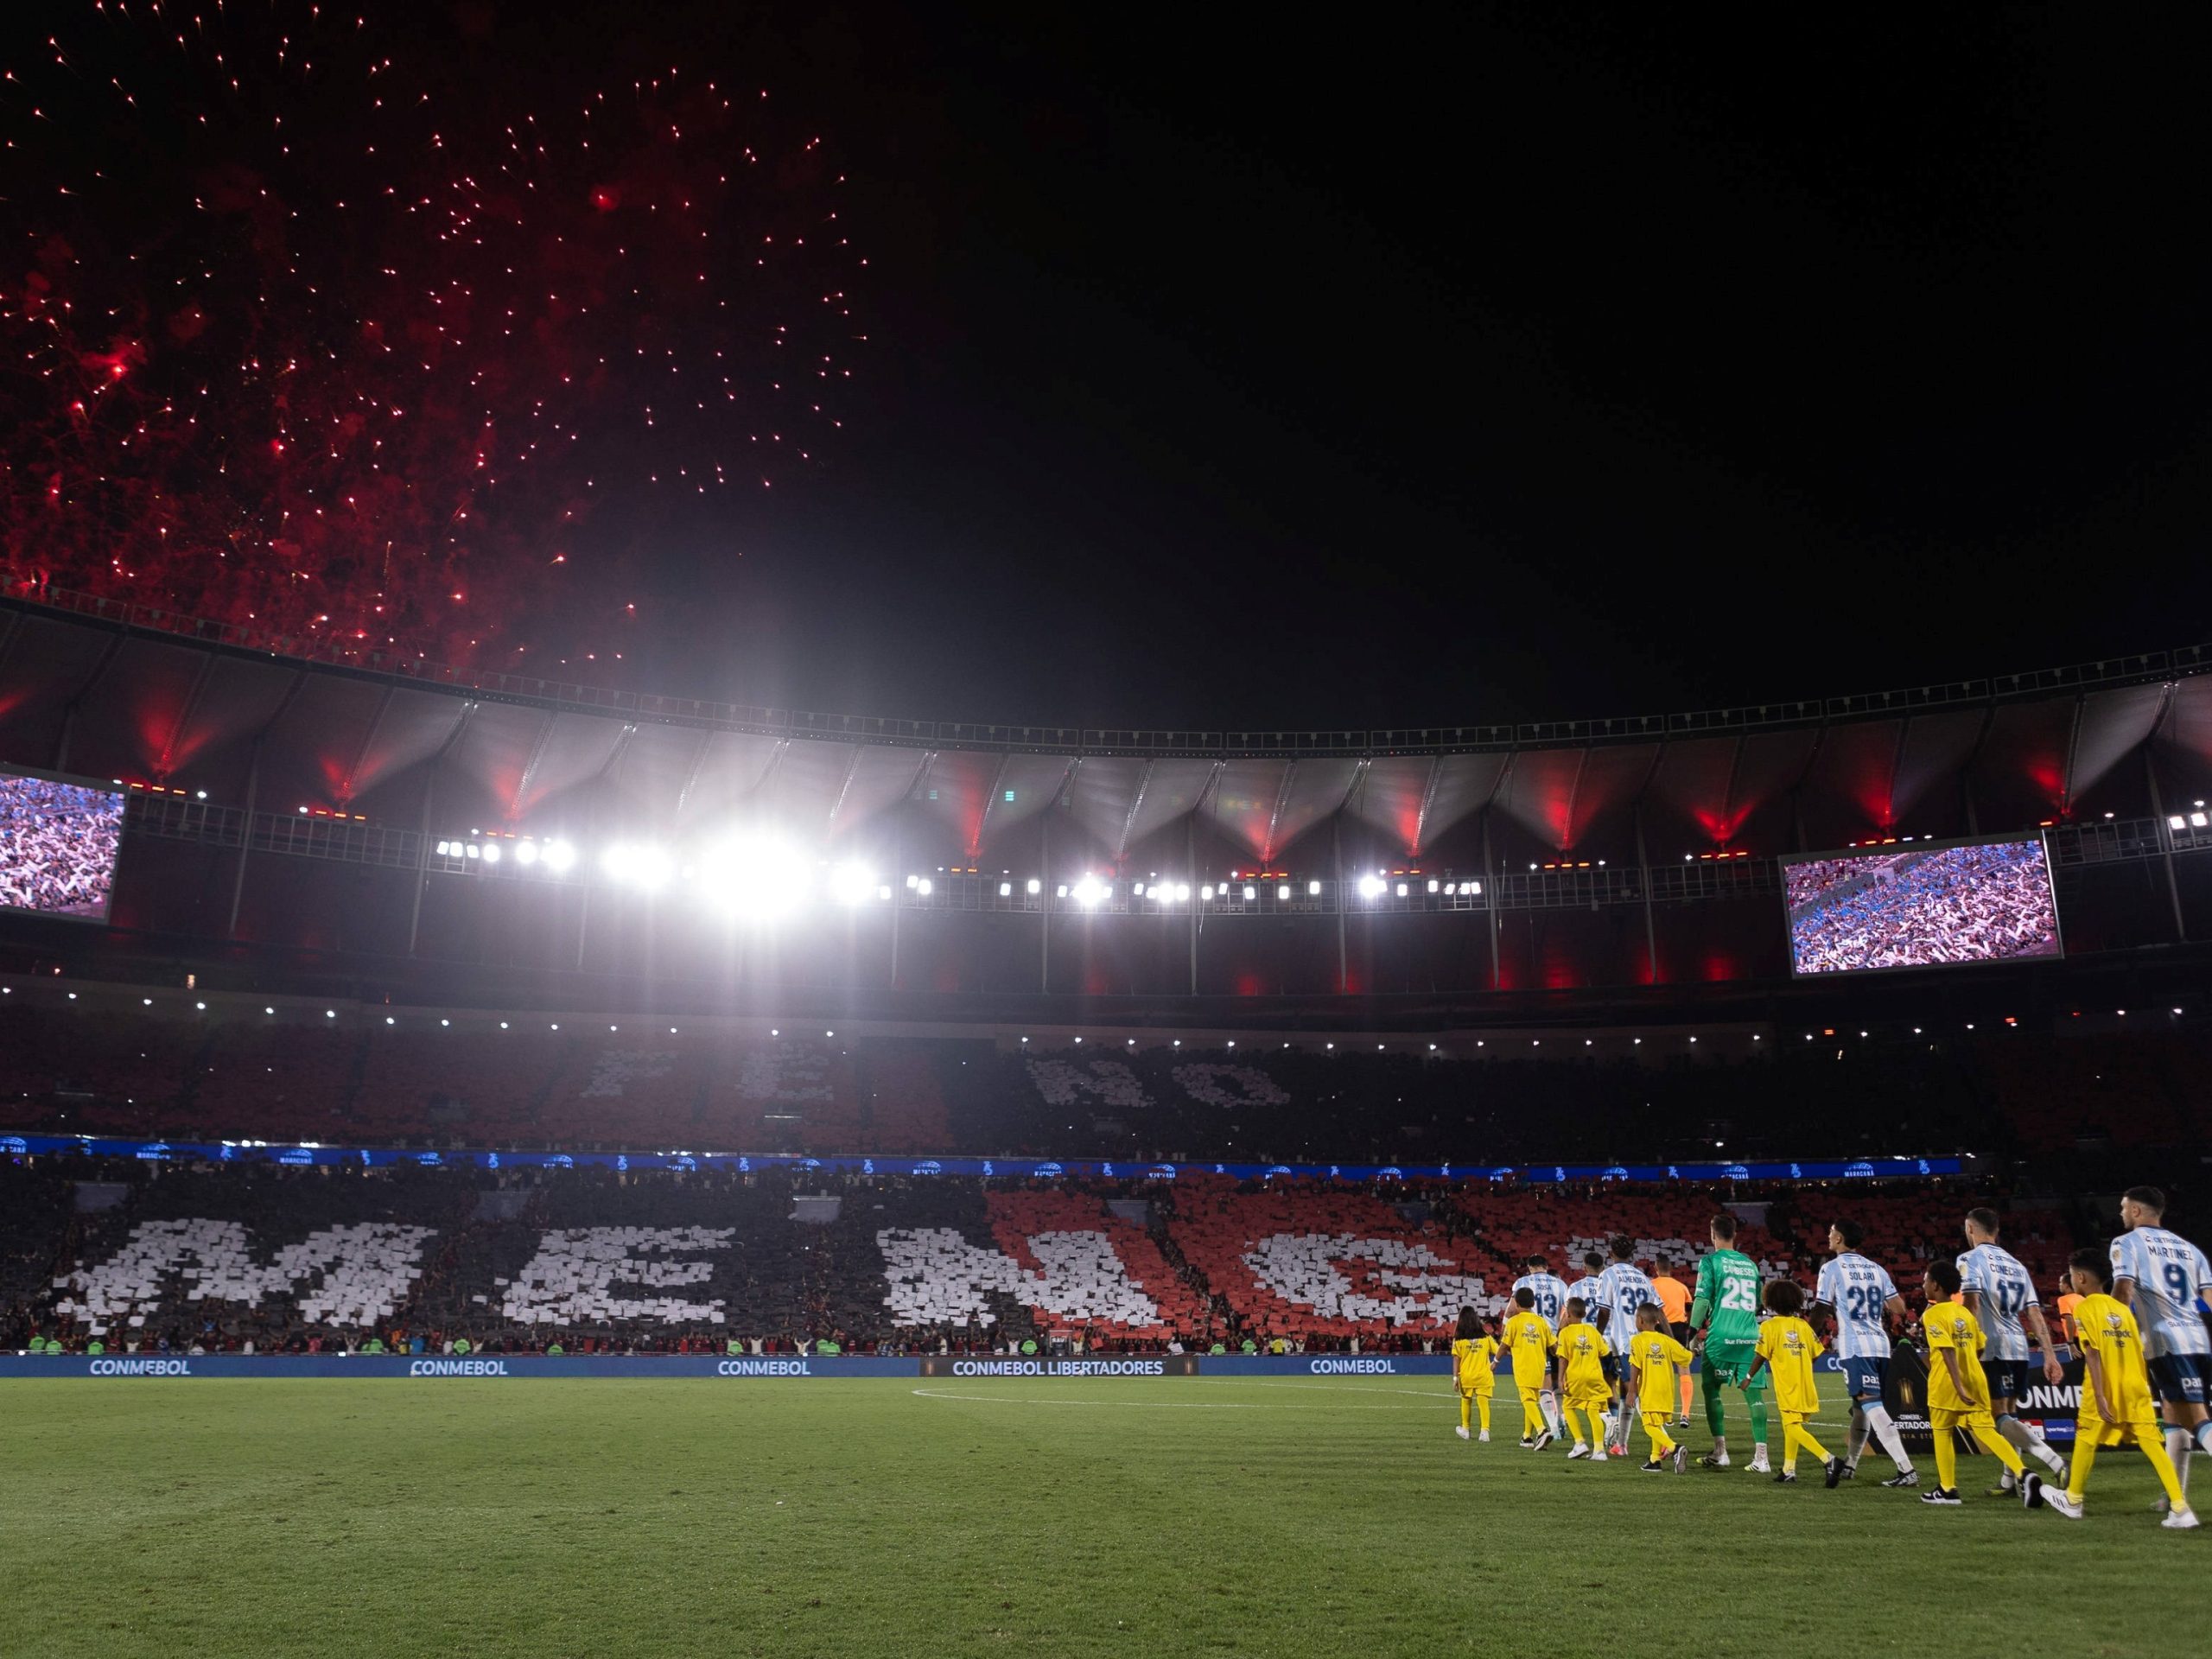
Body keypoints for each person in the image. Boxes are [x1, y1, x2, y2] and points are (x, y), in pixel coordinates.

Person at [2044, 1248, 2194, 1528]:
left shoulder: (2085, 1307)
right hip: (2135, 1385)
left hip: (2106, 1384)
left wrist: (2101, 1395)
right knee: (2152, 1444)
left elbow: (2092, 1353)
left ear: (2080, 1278)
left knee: (2086, 1437)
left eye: (2072, 1276)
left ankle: (2073, 1500)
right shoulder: (2123, 1310)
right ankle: (2180, 1507)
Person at [2108, 1185, 2212, 1508]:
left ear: (2136, 1210)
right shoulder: (2190, 1249)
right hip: (2198, 1339)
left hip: (2165, 1341)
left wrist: (2111, 1330)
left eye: (2124, 1207)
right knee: (2172, 1412)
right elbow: (2209, 1298)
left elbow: (2123, 1291)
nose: (2121, 1213)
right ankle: (2173, 1495)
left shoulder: (2126, 1243)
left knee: (2195, 1416)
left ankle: (2175, 1499)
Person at [1957, 1207, 2068, 1496]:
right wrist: (2050, 1355)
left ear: (1970, 1228)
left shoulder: (1969, 1259)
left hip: (1991, 1346)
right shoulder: (2017, 1265)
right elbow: (2034, 1313)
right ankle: (2010, 1480)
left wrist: (1966, 1344)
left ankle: (2054, 1461)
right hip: (2019, 1346)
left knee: (1998, 1416)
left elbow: (1972, 1304)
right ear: (1996, 1231)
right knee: (2011, 1414)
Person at [1919, 1261, 2039, 1510]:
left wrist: (1958, 1385)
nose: (1923, 1285)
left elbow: (1946, 1350)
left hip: (1947, 1384)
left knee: (1942, 1432)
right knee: (1986, 1431)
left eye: (1926, 1281)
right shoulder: (1965, 1313)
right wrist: (1967, 1371)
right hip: (1976, 1379)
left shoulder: (1932, 1314)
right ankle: (2023, 1472)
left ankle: (1948, 1489)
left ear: (1935, 1285)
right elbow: (1979, 1347)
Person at [1811, 1218, 1917, 1486]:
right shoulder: (1877, 1269)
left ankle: (1906, 1469)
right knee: (1861, 1408)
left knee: (1871, 1404)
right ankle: (1851, 1464)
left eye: (1831, 1232)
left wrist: (1808, 1335)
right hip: (1881, 1345)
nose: (1829, 1235)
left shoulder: (1831, 1268)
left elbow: (1822, 1307)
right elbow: (1899, 1308)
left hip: (1856, 1346)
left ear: (1839, 1239)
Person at [1689, 1213, 1771, 1472]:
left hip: (1721, 1337)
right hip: (1750, 1337)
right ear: (1735, 1235)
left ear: (1712, 1234)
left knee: (1711, 1390)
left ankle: (1721, 1451)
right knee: (1754, 1396)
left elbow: (1702, 1300)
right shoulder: (1750, 1265)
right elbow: (1757, 1303)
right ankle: (1762, 1458)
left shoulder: (1710, 1262)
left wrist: (1692, 1333)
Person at [1745, 1280, 1841, 1487]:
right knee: (1791, 1425)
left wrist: (1748, 1377)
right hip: (1805, 1383)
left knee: (1792, 1426)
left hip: (1787, 1384)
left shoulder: (1769, 1326)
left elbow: (1760, 1356)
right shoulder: (1803, 1325)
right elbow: (1816, 1353)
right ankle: (1789, 1469)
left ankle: (1828, 1459)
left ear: (1771, 1301)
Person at [1594, 1235, 1660, 1453]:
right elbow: (1659, 1311)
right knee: (1626, 1391)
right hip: (1646, 1339)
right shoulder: (1643, 1277)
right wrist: (1670, 1338)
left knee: (1633, 1391)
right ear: (1632, 1254)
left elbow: (1604, 1311)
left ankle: (1664, 1443)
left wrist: (1596, 1336)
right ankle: (1621, 1445)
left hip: (1625, 1342)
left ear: (1610, 1253)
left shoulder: (1608, 1274)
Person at [1627, 1304, 1693, 1473]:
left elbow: (1635, 1366)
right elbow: (1686, 1357)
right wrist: (1693, 1351)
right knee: (1656, 1423)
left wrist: (1631, 1391)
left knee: (1649, 1426)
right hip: (1666, 1391)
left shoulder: (1637, 1341)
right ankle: (1654, 1460)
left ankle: (1674, 1448)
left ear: (1640, 1321)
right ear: (1657, 1321)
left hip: (1649, 1389)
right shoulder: (1666, 1341)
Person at [1510, 1255, 1570, 1436]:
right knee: (1557, 1383)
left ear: (1529, 1267)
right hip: (1555, 1337)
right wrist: (1559, 1333)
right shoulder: (1561, 1285)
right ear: (1546, 1266)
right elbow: (1566, 1313)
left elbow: (1511, 1310)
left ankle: (1552, 1428)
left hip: (1534, 1338)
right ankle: (1562, 1417)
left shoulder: (1522, 1282)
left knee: (1542, 1386)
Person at [1554, 1297, 1614, 1462]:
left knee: (1568, 1406)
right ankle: (1599, 1450)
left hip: (1576, 1376)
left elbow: (1563, 1358)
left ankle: (1580, 1442)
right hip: (1594, 1376)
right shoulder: (1593, 1331)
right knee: (1593, 1411)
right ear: (1584, 1313)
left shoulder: (1565, 1333)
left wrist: (1560, 1379)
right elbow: (1604, 1352)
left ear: (1567, 1314)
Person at [1501, 1287, 1558, 1452]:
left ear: (1516, 1304)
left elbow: (1504, 1345)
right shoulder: (1541, 1322)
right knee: (1531, 1400)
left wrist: (1495, 1361)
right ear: (1533, 1303)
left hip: (1523, 1367)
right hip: (1540, 1368)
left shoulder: (1514, 1322)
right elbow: (1554, 1347)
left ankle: (1542, 1430)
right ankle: (1527, 1437)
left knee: (1526, 1399)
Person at [1651, 1259, 1694, 1426]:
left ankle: (1666, 1415)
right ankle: (1685, 1414)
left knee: (1661, 1370)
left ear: (1656, 1268)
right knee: (1684, 1369)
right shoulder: (1681, 1287)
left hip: (1659, 1327)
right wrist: (1687, 1328)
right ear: (1671, 1269)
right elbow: (1690, 1310)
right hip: (1679, 1329)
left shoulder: (1651, 1285)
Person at [1450, 1306, 1499, 1443]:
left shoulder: (1458, 1339)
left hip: (1466, 1376)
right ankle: (1484, 1432)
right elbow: (1498, 1351)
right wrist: (1495, 1363)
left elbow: (1456, 1359)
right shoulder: (1486, 1337)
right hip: (1483, 1375)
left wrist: (1455, 1378)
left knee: (1466, 1401)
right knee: (1483, 1403)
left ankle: (1466, 1430)